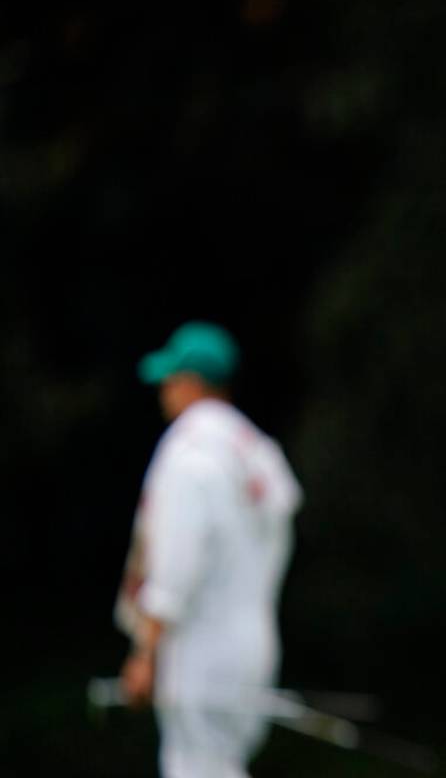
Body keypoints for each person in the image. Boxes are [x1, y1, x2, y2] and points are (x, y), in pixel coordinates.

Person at [114, 321, 302, 778]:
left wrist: (145, 652)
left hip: (200, 648)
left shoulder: (189, 453)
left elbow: (175, 567)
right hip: (254, 644)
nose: (164, 391)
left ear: (193, 383)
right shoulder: (257, 453)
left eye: (171, 380)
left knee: (194, 768)